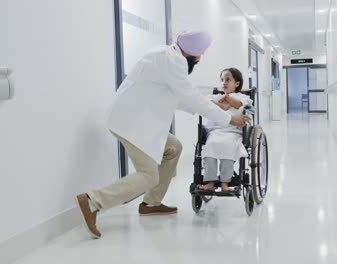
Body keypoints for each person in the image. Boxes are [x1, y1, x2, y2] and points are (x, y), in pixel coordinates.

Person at [75, 31, 250, 239]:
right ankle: (93, 200)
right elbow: (189, 97)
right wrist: (229, 118)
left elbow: (182, 98)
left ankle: (151, 202)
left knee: (173, 147)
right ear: (192, 53)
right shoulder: (172, 62)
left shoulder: (167, 56)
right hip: (130, 123)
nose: (200, 59)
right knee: (148, 175)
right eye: (200, 55)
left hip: (137, 119)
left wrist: (211, 105)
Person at [198, 68, 252, 192]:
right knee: (210, 146)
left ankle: (225, 183)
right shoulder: (218, 96)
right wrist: (221, 105)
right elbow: (205, 100)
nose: (224, 83)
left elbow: (238, 104)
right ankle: (210, 182)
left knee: (227, 147)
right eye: (222, 80)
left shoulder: (242, 96)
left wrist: (227, 99)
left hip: (233, 132)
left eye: (228, 80)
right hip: (216, 131)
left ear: (237, 83)